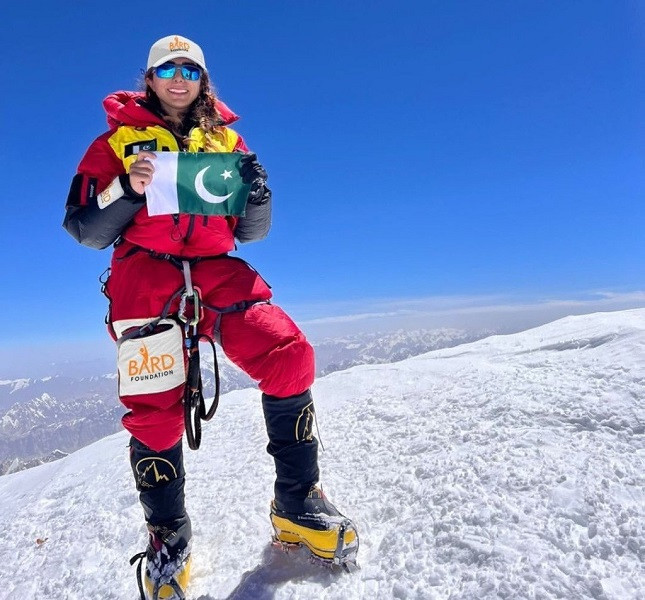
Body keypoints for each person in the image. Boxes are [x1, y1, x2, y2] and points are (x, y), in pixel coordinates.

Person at [63, 34, 358, 600]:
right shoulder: (114, 143)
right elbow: (84, 228)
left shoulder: (227, 140)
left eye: (190, 69)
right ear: (149, 78)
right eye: (167, 68)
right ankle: (167, 535)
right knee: (154, 410)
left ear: (203, 79)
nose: (179, 77)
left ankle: (297, 500)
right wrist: (127, 187)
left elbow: (252, 232)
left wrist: (259, 196)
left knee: (288, 353)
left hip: (217, 269)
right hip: (146, 275)